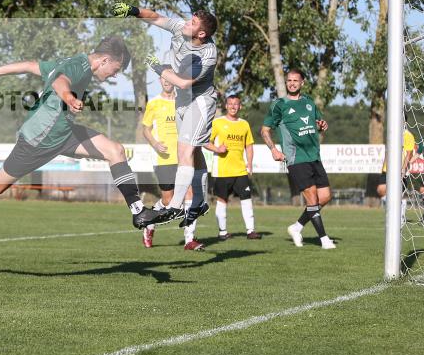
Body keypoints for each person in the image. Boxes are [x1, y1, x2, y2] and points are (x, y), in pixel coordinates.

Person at [0, 36, 180, 229]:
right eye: (114, 70)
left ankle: (139, 212)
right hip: (40, 137)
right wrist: (69, 97)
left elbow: (30, 65)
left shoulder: (71, 62)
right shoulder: (78, 67)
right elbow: (61, 81)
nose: (113, 74)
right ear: (104, 60)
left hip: (64, 132)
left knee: (115, 151)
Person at [113, 2, 219, 228]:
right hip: (182, 99)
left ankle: (175, 207)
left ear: (201, 33)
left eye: (192, 22)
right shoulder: (181, 28)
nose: (186, 23)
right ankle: (200, 202)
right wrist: (134, 11)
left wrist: (159, 68)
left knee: (185, 149)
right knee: (195, 149)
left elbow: (182, 81)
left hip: (200, 100)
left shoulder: (208, 54)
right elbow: (156, 17)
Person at [260, 69, 336, 249]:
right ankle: (324, 239)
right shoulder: (279, 105)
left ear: (302, 83)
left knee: (324, 197)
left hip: (314, 156)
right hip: (296, 158)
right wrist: (273, 150)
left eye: (295, 80)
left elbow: (318, 122)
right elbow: (264, 130)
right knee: (312, 199)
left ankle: (297, 227)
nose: (292, 83)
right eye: (289, 80)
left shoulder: (309, 102)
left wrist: (322, 125)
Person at [140, 72, 200, 250]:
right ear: (160, 81)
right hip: (164, 159)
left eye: (170, 79)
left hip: (184, 157)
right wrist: (155, 143)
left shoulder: (183, 102)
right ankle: (149, 223)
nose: (166, 82)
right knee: (168, 201)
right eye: (164, 79)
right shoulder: (154, 103)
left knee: (190, 195)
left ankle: (190, 240)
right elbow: (146, 129)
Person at [206, 94, 261, 240]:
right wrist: (217, 149)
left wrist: (249, 163)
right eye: (230, 103)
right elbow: (205, 142)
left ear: (240, 106)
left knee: (246, 197)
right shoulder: (217, 123)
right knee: (222, 200)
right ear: (226, 106)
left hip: (240, 170)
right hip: (222, 171)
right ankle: (222, 232)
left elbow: (249, 146)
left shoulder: (244, 124)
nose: (233, 106)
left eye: (236, 104)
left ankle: (251, 231)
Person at [376, 127, 415, 223]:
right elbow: (387, 151)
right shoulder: (392, 132)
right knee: (381, 190)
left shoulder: (408, 135)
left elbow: (409, 154)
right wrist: (383, 166)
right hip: (387, 168)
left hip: (400, 169)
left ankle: (400, 215)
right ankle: (397, 208)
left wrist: (403, 169)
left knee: (398, 194)